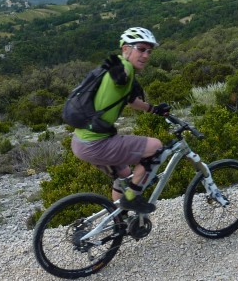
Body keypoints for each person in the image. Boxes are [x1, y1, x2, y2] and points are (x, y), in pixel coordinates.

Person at [70, 27, 171, 214]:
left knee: (124, 175)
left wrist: (154, 109)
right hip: (96, 144)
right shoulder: (123, 69)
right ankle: (132, 199)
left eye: (149, 51)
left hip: (80, 142)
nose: (146, 55)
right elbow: (121, 79)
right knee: (155, 147)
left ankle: (119, 221)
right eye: (141, 49)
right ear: (125, 49)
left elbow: (132, 100)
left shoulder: (120, 68)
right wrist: (122, 77)